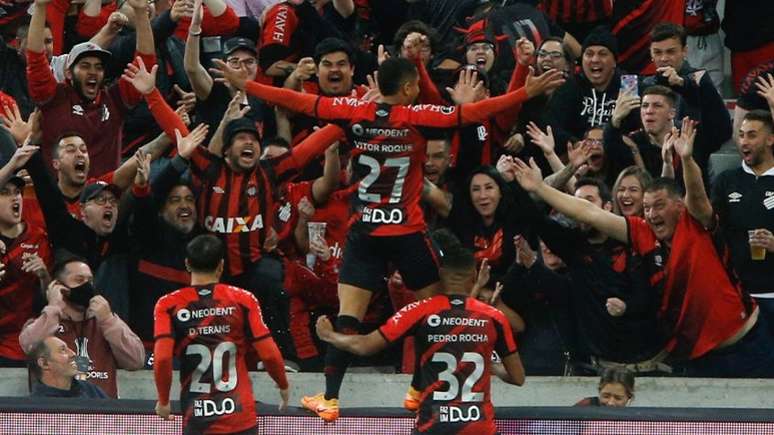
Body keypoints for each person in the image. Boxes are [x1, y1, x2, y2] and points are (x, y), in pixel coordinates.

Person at [213, 55, 563, 421]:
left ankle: (330, 399)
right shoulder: (417, 117)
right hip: (408, 234)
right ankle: (416, 391)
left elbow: (298, 102)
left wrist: (246, 85)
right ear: (410, 87)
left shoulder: (354, 112)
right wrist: (525, 91)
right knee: (433, 314)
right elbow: (471, 115)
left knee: (348, 315)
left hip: (366, 234)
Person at [511, 117, 774, 377]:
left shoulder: (696, 225)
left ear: (678, 207)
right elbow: (590, 213)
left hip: (747, 346)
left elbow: (696, 194)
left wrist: (686, 159)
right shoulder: (642, 232)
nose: (651, 214)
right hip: (697, 357)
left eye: (659, 206)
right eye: (647, 208)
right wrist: (539, 188)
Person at [316, 229, 525, 435]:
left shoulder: (421, 311)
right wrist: (494, 367)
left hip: (434, 428)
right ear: (475, 275)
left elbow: (365, 346)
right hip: (480, 429)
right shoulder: (494, 317)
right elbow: (518, 378)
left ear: (440, 275)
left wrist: (329, 335)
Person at [153, 234, 289, 434]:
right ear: (221, 265)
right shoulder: (243, 299)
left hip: (198, 418)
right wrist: (282, 384)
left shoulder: (168, 305)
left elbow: (163, 358)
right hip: (240, 417)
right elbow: (268, 352)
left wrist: (163, 400)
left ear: (187, 264)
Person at [25, 0, 156, 176]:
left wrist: (140, 13)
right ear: (69, 73)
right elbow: (35, 59)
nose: (93, 72)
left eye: (98, 67)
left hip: (104, 197)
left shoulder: (115, 101)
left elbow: (144, 64)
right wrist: (40, 7)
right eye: (85, 66)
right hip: (58, 198)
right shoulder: (54, 98)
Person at [19, 254, 145, 398]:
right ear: (58, 286)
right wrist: (53, 307)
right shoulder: (44, 322)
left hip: (103, 413)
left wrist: (108, 319)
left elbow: (136, 360)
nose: (87, 286)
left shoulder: (105, 321)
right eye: (79, 280)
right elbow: (29, 346)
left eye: (90, 281)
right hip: (56, 412)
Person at [712, 110, 774, 332]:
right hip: (737, 294)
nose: (743, 142)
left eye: (751, 135)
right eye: (741, 135)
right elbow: (709, 227)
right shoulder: (726, 181)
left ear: (770, 139)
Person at [642, 23, 730, 170]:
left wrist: (682, 84)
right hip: (652, 165)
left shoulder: (700, 80)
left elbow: (723, 130)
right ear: (651, 54)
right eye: (657, 52)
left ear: (684, 51)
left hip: (691, 166)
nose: (664, 58)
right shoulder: (645, 85)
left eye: (670, 52)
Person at [0, 160, 52, 365]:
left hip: (21, 345)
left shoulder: (38, 238)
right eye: (5, 192)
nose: (16, 198)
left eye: (18, 192)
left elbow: (53, 298)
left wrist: (44, 275)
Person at [28, 336, 109, 398]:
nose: (73, 354)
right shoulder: (36, 406)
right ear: (44, 363)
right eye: (63, 350)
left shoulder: (91, 391)